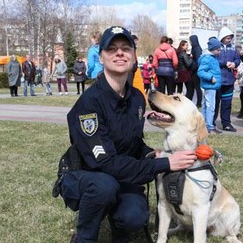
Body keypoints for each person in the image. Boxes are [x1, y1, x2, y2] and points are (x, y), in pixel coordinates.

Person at [63, 26, 196, 243]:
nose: (119, 53)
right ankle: (84, 237)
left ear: (134, 57)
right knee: (104, 186)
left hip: (119, 174)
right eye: (112, 49)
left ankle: (120, 233)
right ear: (102, 57)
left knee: (134, 216)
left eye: (126, 48)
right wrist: (166, 164)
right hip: (87, 175)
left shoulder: (136, 97)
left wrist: (151, 153)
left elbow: (132, 142)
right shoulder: (89, 104)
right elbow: (106, 164)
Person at [215, 26, 241, 132]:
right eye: (227, 37)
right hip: (218, 80)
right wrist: (224, 63)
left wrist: (234, 63)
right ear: (222, 38)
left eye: (230, 37)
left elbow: (237, 59)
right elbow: (214, 60)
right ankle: (211, 123)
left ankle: (226, 123)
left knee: (227, 103)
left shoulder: (234, 49)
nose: (229, 39)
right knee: (215, 103)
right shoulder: (217, 48)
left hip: (229, 80)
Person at [198, 37, 222, 134]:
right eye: (218, 50)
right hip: (210, 86)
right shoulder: (208, 59)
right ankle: (209, 126)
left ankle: (203, 125)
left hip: (211, 86)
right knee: (210, 107)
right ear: (212, 49)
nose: (219, 52)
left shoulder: (211, 58)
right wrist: (211, 77)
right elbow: (200, 72)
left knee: (206, 106)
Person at [189, 35, 203, 107]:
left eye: (191, 41)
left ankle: (199, 103)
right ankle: (192, 102)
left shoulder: (197, 49)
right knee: (193, 87)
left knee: (197, 87)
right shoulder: (194, 48)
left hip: (196, 71)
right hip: (194, 70)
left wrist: (193, 67)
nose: (190, 42)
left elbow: (198, 61)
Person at [235, 46, 243, 119]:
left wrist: (237, 77)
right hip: (242, 81)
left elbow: (240, 71)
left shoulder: (242, 60)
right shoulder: (240, 59)